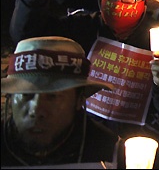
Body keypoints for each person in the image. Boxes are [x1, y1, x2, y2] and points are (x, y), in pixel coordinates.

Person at [9, 0, 159, 168]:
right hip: (84, 130)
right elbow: (27, 38)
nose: (118, 3)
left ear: (144, 3)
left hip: (142, 135)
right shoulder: (81, 28)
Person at [1, 36, 122, 167]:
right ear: (11, 98)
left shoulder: (110, 152)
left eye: (52, 97)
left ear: (79, 100)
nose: (36, 110)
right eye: (26, 95)